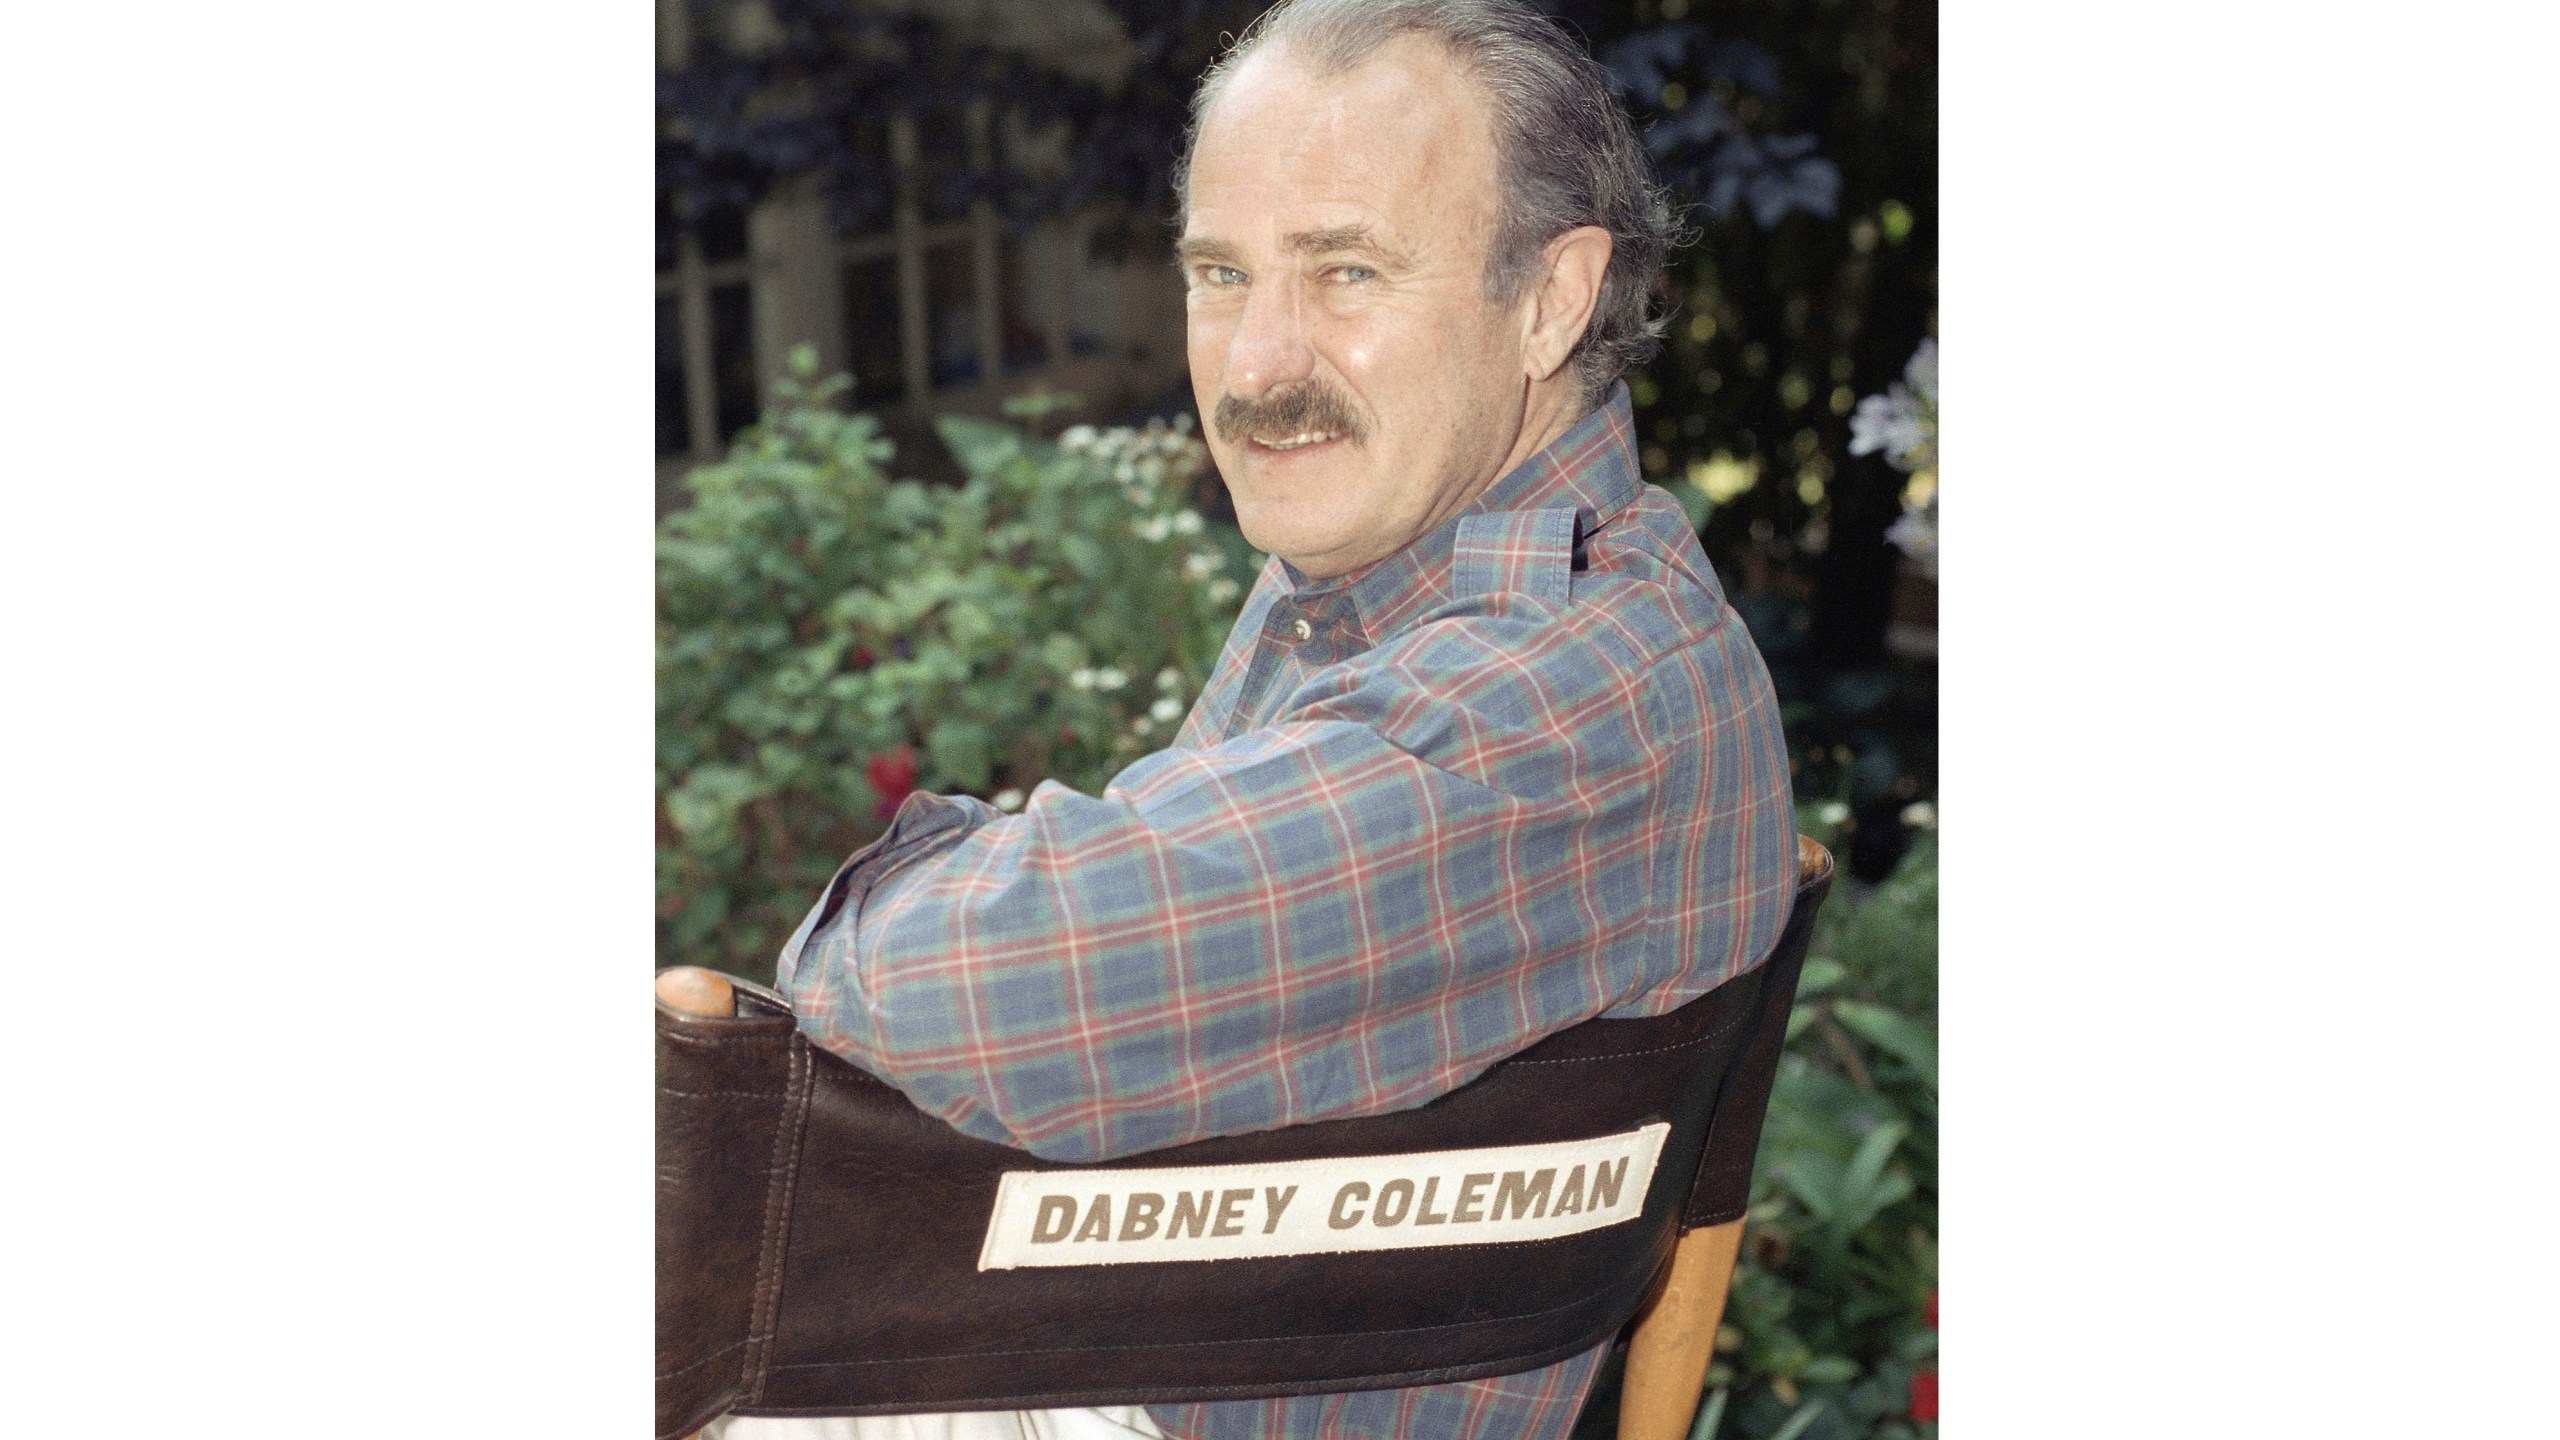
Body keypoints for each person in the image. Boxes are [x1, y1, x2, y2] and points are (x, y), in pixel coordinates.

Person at [715, 2, 1797, 1436]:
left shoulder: (1559, 704)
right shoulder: (1397, 583)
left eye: (1347, 271)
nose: (1255, 367)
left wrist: (961, 864)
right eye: (1220, 274)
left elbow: (924, 987)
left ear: (1551, 299)